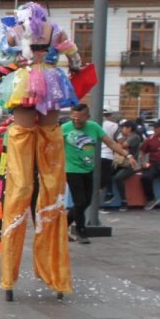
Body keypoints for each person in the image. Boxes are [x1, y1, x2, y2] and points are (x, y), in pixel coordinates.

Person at [0, 2, 82, 302]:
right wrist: (76, 65)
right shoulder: (55, 30)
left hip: (26, 85)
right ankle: (54, 270)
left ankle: (10, 274)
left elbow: (5, 56)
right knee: (52, 162)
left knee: (21, 179)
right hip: (54, 86)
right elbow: (73, 54)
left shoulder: (17, 30)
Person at [61, 104, 126, 244]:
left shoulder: (94, 127)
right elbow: (53, 147)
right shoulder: (65, 128)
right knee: (79, 201)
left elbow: (111, 143)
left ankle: (63, 226)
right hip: (71, 170)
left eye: (80, 118)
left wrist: (127, 155)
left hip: (88, 169)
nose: (76, 121)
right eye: (74, 118)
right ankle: (81, 231)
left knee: (86, 201)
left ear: (87, 117)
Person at [110, 120, 142, 211]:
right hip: (121, 162)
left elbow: (123, 146)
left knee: (118, 178)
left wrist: (115, 142)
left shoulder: (134, 137)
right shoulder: (125, 137)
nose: (121, 130)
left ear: (129, 128)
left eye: (123, 128)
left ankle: (124, 200)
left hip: (131, 165)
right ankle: (109, 194)